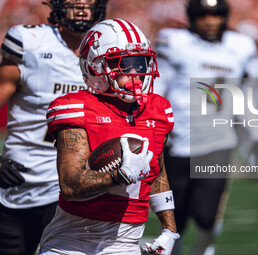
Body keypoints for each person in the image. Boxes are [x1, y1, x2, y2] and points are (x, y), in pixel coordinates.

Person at [39, 18, 180, 255]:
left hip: (125, 244)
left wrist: (169, 229)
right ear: (95, 67)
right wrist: (120, 175)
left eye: (141, 62)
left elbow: (157, 171)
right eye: (125, 64)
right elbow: (70, 185)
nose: (136, 72)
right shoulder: (78, 108)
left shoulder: (158, 109)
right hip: (72, 242)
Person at [154, 0, 258, 254]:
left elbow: (242, 97)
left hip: (218, 142)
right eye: (203, 15)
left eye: (215, 16)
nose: (210, 21)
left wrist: (257, 134)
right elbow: (158, 89)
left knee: (207, 216)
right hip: (178, 142)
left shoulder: (239, 47)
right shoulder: (175, 42)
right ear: (192, 16)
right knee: (176, 216)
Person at [0, 1, 108, 254]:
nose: (82, 8)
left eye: (89, 1)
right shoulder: (31, 42)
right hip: (19, 181)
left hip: (74, 185)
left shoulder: (108, 50)